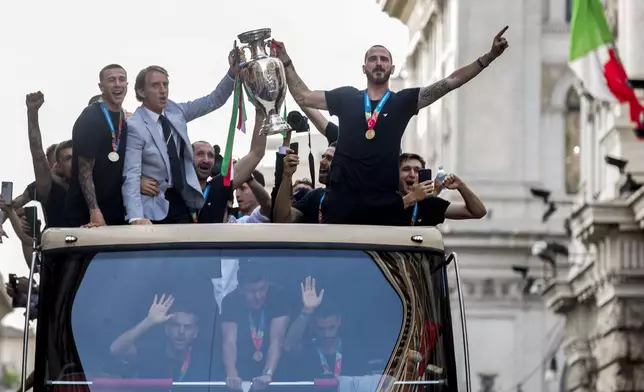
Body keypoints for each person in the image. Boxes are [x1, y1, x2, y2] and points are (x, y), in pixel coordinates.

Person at [272, 27, 509, 225]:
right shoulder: (347, 97)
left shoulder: (402, 101)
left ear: (392, 69)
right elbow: (303, 97)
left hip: (385, 203)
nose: (378, 63)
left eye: (384, 59)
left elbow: (450, 83)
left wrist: (488, 57)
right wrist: (286, 61)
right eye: (372, 59)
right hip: (341, 201)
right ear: (364, 67)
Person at [122, 51, 239, 225]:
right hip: (151, 204)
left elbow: (212, 101)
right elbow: (131, 174)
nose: (163, 90)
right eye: (155, 85)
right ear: (141, 91)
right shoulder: (134, 125)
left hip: (180, 198)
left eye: (165, 84)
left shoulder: (175, 111)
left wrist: (232, 73)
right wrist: (136, 218)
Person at [65, 64, 129, 227]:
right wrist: (94, 211)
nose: (117, 84)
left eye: (122, 79)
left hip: (117, 211)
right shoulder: (91, 117)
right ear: (101, 86)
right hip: (87, 213)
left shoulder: (126, 119)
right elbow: (84, 170)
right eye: (111, 80)